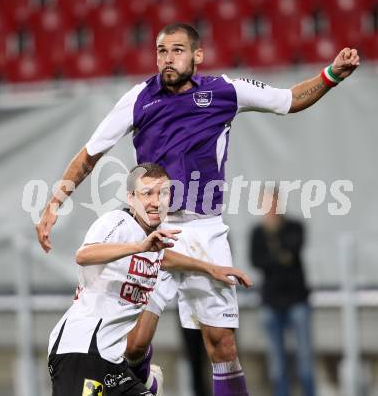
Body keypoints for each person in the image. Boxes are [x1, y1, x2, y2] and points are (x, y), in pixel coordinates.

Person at [36, 23, 359, 396]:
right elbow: (91, 153)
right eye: (160, 51)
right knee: (135, 344)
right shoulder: (139, 98)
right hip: (153, 230)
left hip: (205, 229)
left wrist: (331, 74)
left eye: (176, 50)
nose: (167, 59)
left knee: (221, 345)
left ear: (197, 55)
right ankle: (145, 381)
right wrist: (54, 202)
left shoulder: (225, 91)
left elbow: (290, 100)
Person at [48, 163, 251, 396]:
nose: (156, 201)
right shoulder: (118, 222)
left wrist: (210, 268)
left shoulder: (153, 241)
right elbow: (83, 255)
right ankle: (147, 376)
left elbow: (166, 258)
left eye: (163, 193)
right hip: (80, 352)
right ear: (131, 198)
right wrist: (139, 246)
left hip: (112, 362)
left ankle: (147, 377)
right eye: (147, 194)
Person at [249, 188, 315, 396]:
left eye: (273, 203)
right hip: (271, 303)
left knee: (305, 360)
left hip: (297, 301)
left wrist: (274, 254)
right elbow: (257, 261)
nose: (270, 209)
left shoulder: (295, 227)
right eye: (266, 204)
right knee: (277, 363)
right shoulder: (257, 233)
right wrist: (280, 257)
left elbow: (293, 252)